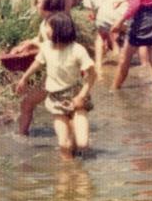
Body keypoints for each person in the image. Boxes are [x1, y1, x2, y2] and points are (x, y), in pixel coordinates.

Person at [14, 12, 97, 158]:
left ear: (59, 29)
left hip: (76, 97)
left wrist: (82, 96)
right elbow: (38, 63)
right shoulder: (46, 47)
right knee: (64, 146)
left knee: (83, 144)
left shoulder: (77, 50)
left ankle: (81, 171)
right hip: (56, 99)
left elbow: (92, 75)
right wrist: (24, 78)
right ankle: (67, 176)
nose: (45, 30)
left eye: (48, 27)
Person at [13, 0, 69, 136]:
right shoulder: (46, 23)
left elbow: (51, 47)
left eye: (38, 2)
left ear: (46, 5)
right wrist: (27, 44)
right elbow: (40, 40)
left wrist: (25, 77)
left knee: (27, 103)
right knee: (64, 109)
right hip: (60, 74)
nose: (36, 5)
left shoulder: (53, 24)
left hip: (56, 75)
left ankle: (21, 136)